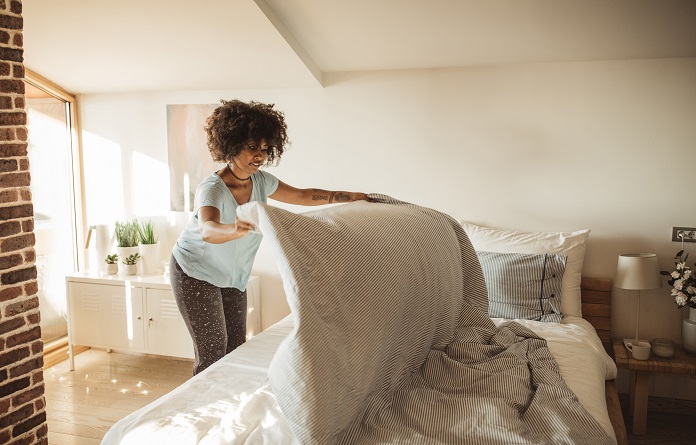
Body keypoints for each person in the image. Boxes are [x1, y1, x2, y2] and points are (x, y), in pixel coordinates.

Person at [171, 99, 369, 375]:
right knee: (213, 353)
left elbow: (300, 195)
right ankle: (202, 409)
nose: (260, 156)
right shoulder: (212, 189)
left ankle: (228, 402)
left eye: (264, 149)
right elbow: (207, 230)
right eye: (252, 147)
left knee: (236, 348)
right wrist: (234, 229)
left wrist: (344, 196)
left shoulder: (261, 181)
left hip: (232, 275)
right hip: (195, 273)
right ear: (232, 143)